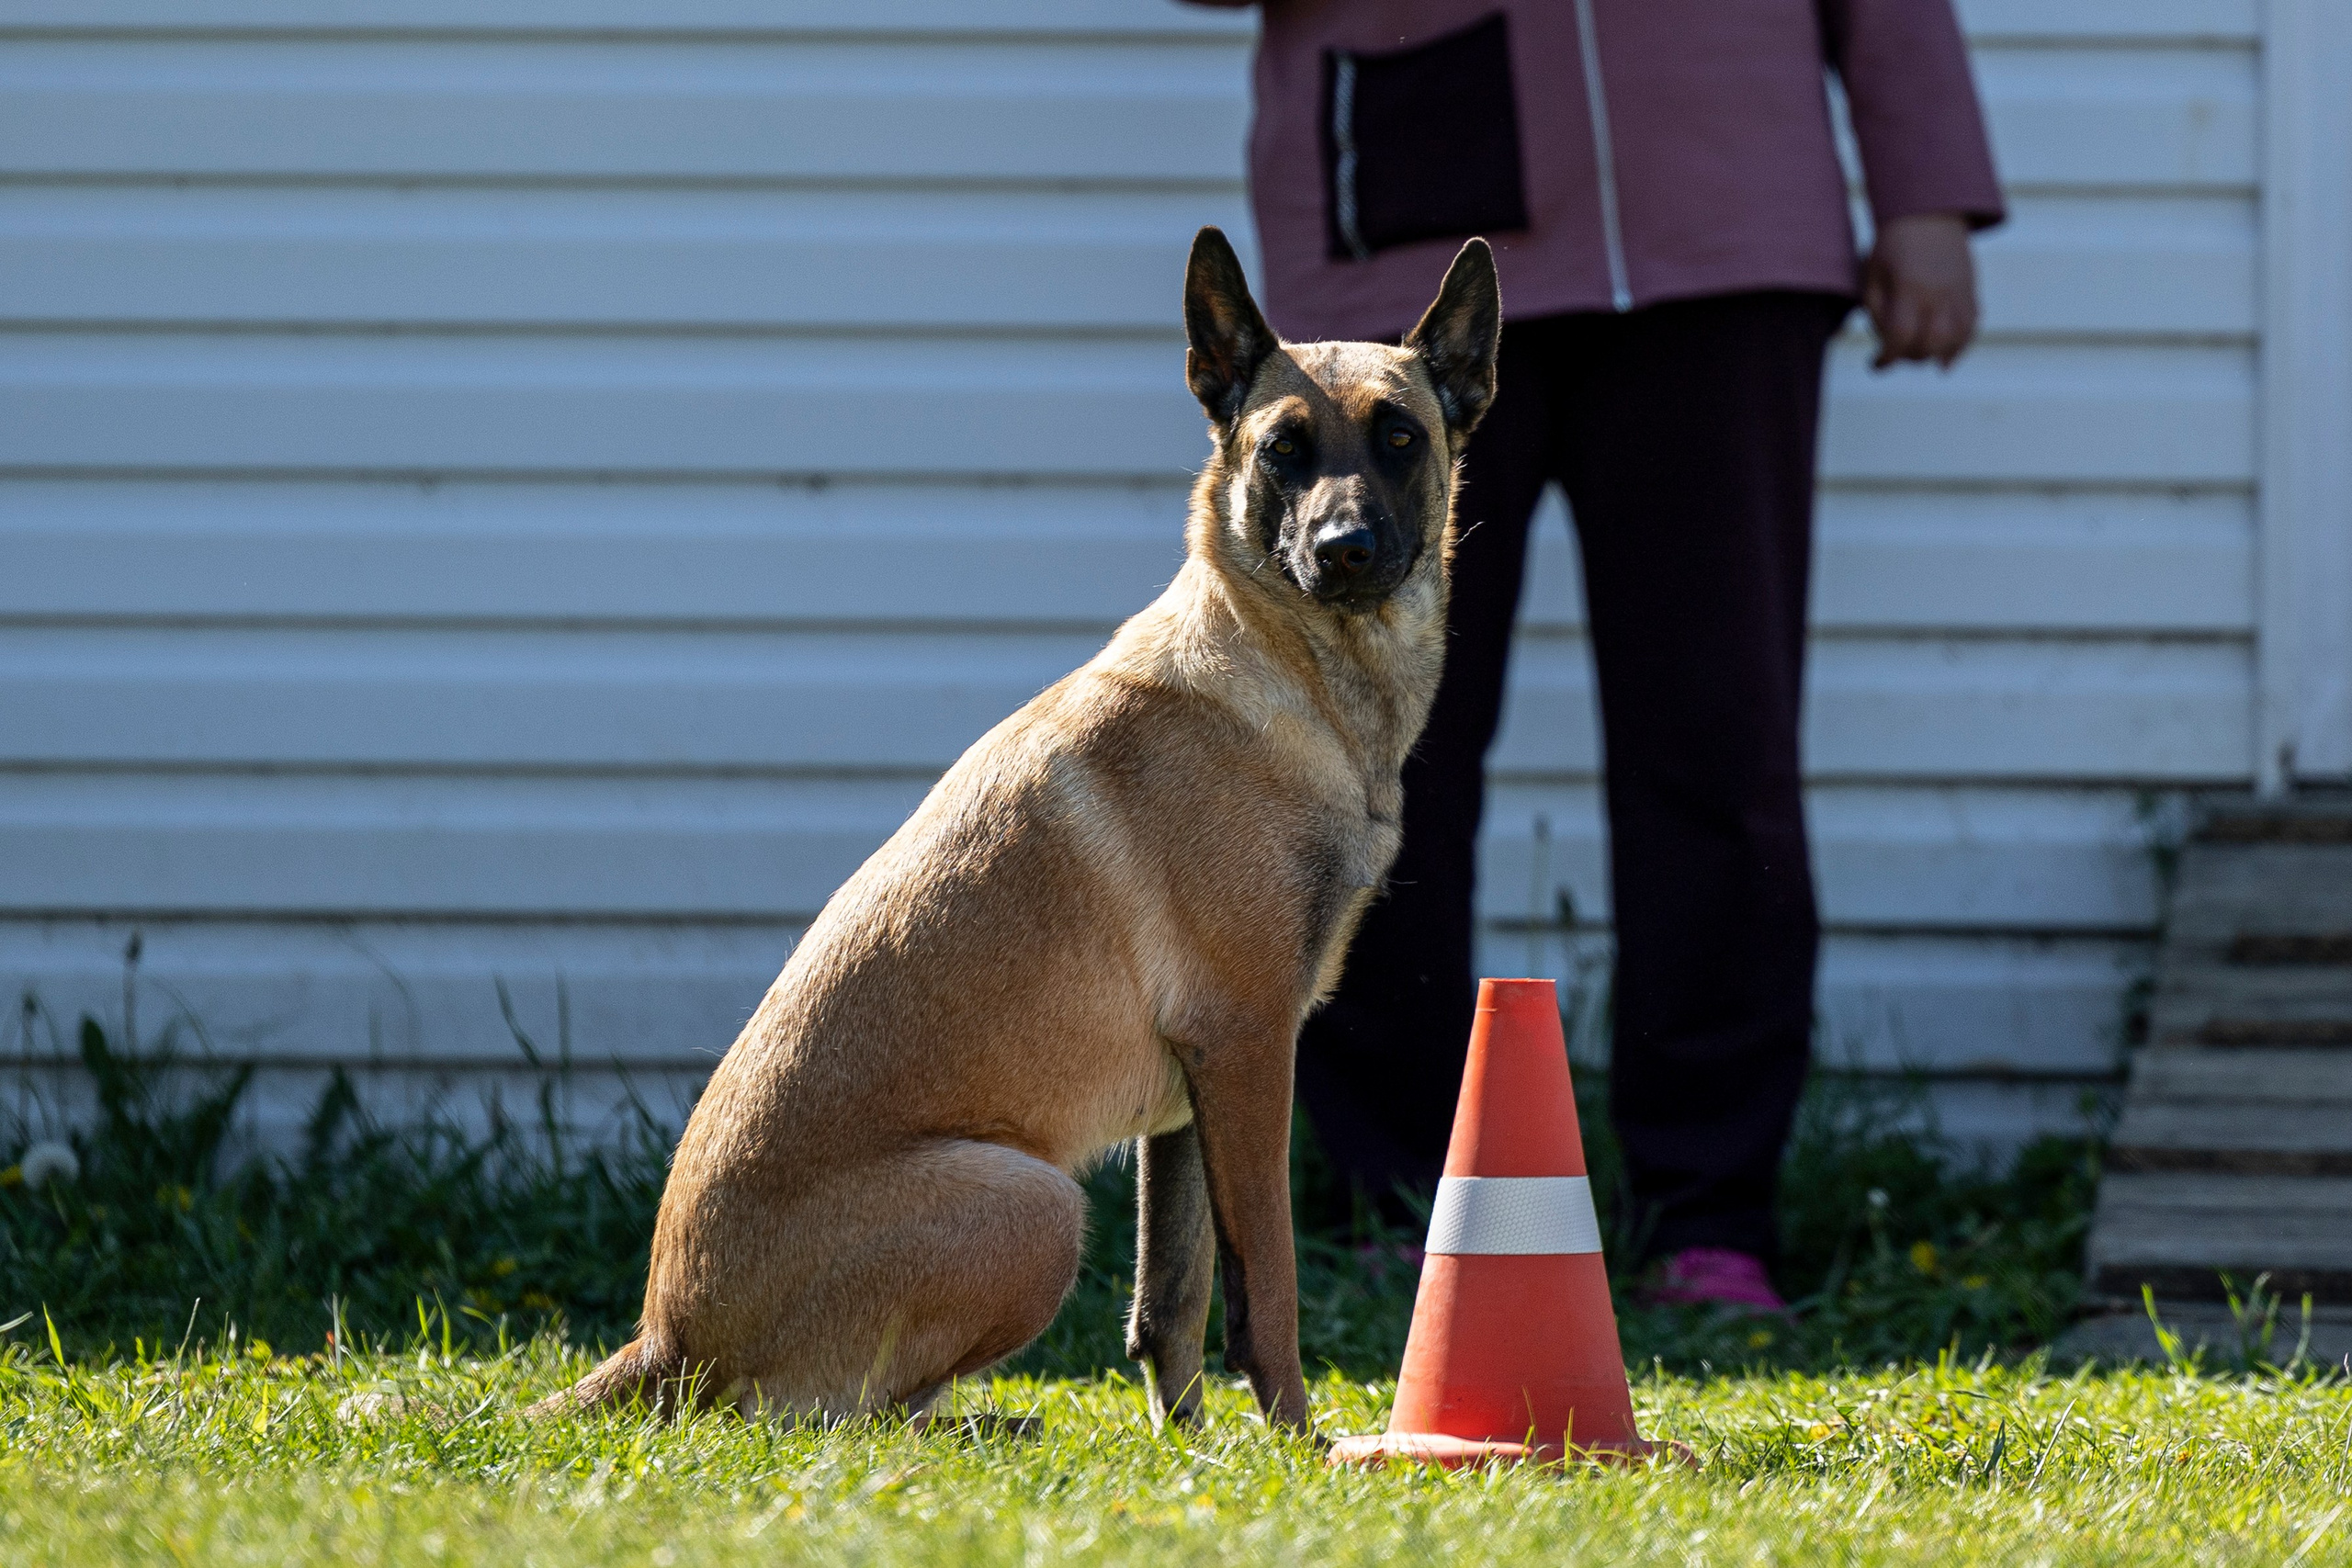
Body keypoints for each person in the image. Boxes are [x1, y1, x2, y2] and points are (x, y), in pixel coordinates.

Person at [1187, 0, 2004, 1307]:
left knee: (1718, 744)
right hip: (1406, 238)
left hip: (1723, 229)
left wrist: (1926, 187)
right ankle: (1393, 1202)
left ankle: (1711, 1216)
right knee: (1381, 770)